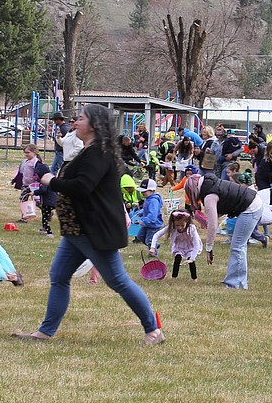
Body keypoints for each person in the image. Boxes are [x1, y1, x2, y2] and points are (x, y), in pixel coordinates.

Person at [17, 104, 164, 345]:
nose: (74, 123)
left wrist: (51, 180)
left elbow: (83, 187)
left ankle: (153, 330)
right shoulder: (90, 151)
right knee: (59, 276)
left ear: (94, 125)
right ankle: (45, 332)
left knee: (118, 280)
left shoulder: (98, 153)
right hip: (78, 230)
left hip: (94, 230)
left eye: (80, 119)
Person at [183, 171, 267, 289]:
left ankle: (235, 283)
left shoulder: (209, 196)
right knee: (238, 246)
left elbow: (213, 226)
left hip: (250, 208)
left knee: (238, 246)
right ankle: (236, 280)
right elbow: (222, 205)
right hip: (252, 202)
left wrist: (209, 249)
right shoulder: (211, 184)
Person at [149, 209, 202, 280]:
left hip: (190, 247)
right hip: (179, 247)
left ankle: (194, 278)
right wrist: (152, 247)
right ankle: (174, 277)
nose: (179, 228)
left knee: (191, 261)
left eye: (182, 225)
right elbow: (156, 235)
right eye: (177, 225)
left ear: (187, 222)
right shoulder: (171, 227)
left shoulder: (191, 228)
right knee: (177, 258)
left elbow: (196, 244)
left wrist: (192, 258)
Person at [137, 178, 165, 249]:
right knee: (140, 237)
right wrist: (141, 213)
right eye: (142, 191)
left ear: (152, 191)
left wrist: (144, 221)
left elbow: (153, 215)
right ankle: (155, 245)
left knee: (149, 240)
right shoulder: (148, 199)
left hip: (153, 224)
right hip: (147, 223)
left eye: (144, 191)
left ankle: (153, 254)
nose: (142, 193)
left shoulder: (153, 201)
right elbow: (147, 209)